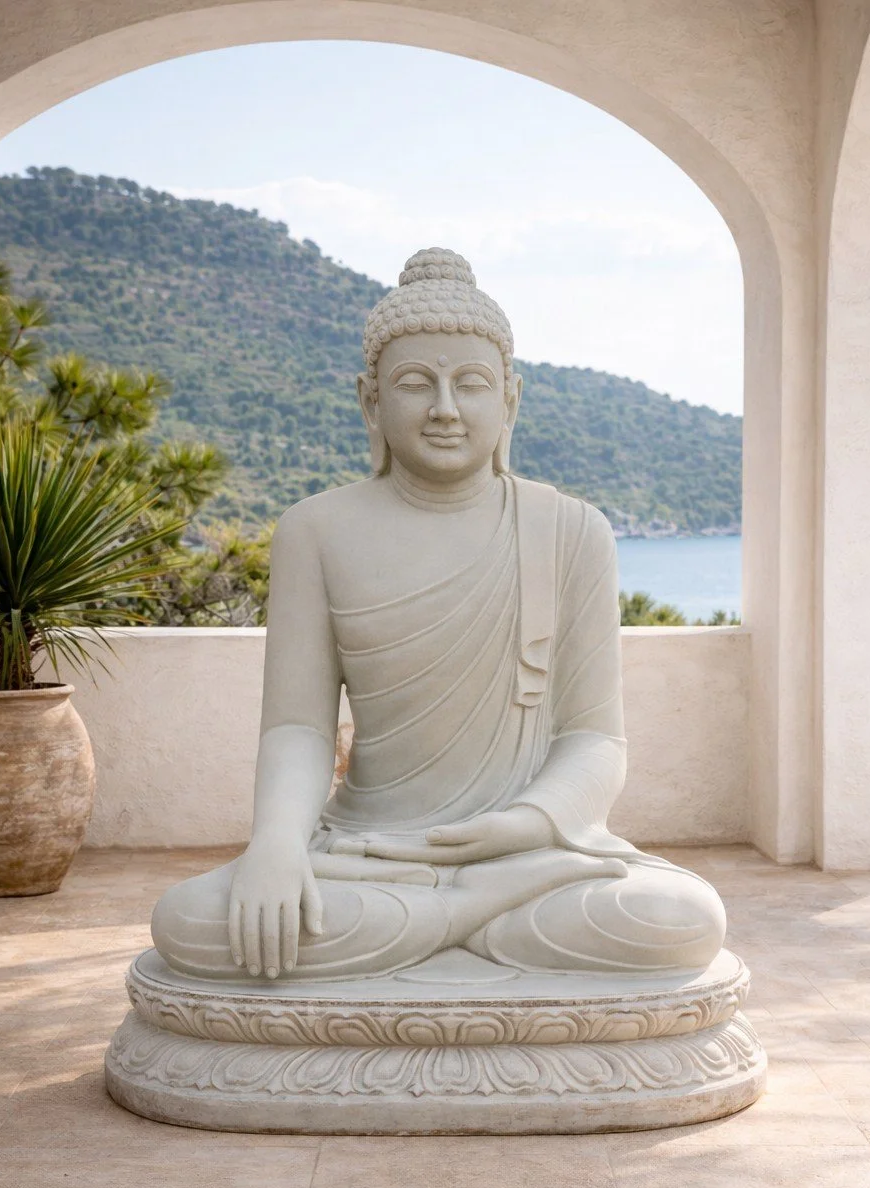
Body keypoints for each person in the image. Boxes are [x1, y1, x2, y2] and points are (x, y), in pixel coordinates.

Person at [151, 249, 725, 981]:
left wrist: (524, 824)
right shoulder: (317, 530)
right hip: (370, 853)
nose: (446, 408)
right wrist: (276, 848)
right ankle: (473, 915)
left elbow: (594, 740)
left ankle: (457, 913)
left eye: (472, 385)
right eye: (416, 384)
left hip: (529, 851)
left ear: (511, 400)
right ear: (370, 400)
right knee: (192, 922)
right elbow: (299, 726)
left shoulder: (572, 531)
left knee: (677, 919)